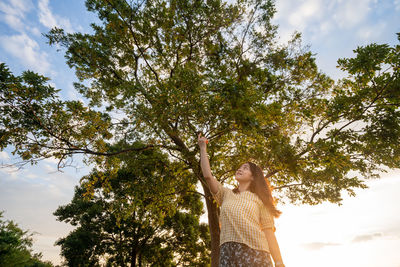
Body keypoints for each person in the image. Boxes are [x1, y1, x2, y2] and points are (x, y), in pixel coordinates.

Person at [198, 133, 285, 267]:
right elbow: (208, 176)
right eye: (240, 167)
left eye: (245, 168)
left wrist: (279, 262)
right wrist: (203, 148)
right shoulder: (225, 194)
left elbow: (269, 233)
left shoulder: (260, 200)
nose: (240, 169)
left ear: (253, 177)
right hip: (228, 252)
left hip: (256, 254)